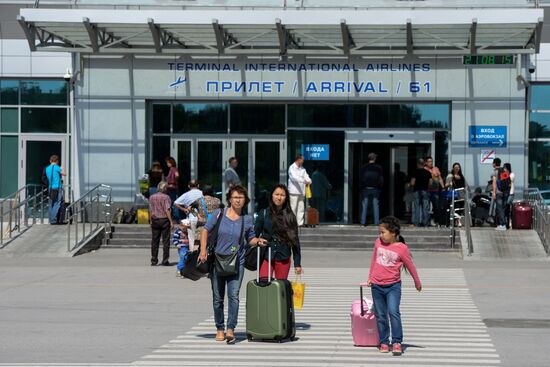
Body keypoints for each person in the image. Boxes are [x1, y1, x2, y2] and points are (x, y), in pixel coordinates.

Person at [198, 185, 265, 344]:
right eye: (235, 197)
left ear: (245, 200)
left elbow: (250, 238)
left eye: (241, 198)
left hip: (237, 262)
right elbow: (205, 231)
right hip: (218, 261)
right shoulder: (218, 214)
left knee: (233, 296)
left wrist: (258, 241)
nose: (238, 200)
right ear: (229, 199)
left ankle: (230, 329)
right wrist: (202, 251)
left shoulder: (247, 219)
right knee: (217, 298)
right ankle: (219, 328)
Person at [367, 216, 422, 356]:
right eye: (379, 232)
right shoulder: (378, 243)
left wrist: (417, 281)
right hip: (377, 286)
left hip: (393, 287)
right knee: (380, 315)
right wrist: (370, 278)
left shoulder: (402, 248)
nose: (380, 235)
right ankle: (384, 341)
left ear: (393, 233)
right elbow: (374, 260)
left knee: (393, 312)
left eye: (383, 232)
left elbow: (410, 266)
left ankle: (397, 341)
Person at [253, 184, 303, 280]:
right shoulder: (263, 213)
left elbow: (295, 241)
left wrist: (297, 264)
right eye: (277, 194)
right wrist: (258, 240)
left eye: (282, 195)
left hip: (283, 256)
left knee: (280, 288)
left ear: (286, 198)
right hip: (266, 256)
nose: (279, 197)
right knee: (263, 284)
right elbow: (254, 236)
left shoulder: (290, 216)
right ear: (272, 195)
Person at [148, 181, 173, 266]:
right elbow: (167, 210)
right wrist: (171, 221)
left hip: (155, 220)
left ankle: (154, 260)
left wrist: (150, 220)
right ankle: (165, 260)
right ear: (165, 188)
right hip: (164, 220)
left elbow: (150, 210)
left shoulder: (152, 197)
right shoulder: (166, 197)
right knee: (166, 241)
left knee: (154, 241)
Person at [359, 153, 384, 226]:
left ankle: (363, 222)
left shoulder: (364, 167)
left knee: (364, 205)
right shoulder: (378, 167)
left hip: (365, 188)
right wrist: (380, 187)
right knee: (375, 205)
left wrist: (361, 187)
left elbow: (361, 178)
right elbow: (381, 179)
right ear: (374, 159)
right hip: (375, 188)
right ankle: (376, 222)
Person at [288, 154, 311, 226]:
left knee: (301, 207)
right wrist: (304, 181)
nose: (303, 161)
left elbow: (307, 177)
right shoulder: (292, 168)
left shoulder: (303, 169)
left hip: (301, 191)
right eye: (302, 159)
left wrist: (309, 181)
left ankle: (299, 223)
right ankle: (292, 223)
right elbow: (294, 178)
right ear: (298, 159)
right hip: (293, 191)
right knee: (293, 207)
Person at [44, 155, 66, 225]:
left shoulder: (47, 168)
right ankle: (53, 220)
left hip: (50, 188)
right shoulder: (57, 167)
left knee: (52, 204)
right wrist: (62, 168)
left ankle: (51, 219)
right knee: (57, 203)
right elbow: (65, 174)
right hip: (57, 187)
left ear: (50, 161)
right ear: (57, 161)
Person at [410, 159, 431, 227]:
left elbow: (412, 183)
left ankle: (416, 222)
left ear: (418, 164)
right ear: (424, 164)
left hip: (416, 191)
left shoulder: (415, 172)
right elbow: (430, 183)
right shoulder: (428, 172)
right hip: (425, 191)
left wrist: (410, 185)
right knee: (425, 207)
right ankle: (425, 223)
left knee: (417, 207)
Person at [424, 156, 445, 226]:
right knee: (426, 207)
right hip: (426, 191)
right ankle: (426, 222)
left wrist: (443, 187)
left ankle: (436, 221)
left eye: (431, 161)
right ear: (426, 163)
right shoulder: (424, 169)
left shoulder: (436, 169)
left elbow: (440, 178)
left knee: (436, 207)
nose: (431, 163)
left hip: (435, 191)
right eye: (429, 161)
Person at [492, 158, 511, 231]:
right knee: (503, 208)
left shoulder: (495, 172)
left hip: (499, 192)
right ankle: (502, 224)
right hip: (506, 192)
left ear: (494, 163)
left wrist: (494, 192)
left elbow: (494, 183)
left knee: (499, 209)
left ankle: (502, 224)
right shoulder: (505, 170)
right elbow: (509, 182)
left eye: (493, 163)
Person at [504, 163, 515, 228]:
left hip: (511, 193)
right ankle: (507, 223)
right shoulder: (505, 174)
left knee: (508, 206)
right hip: (506, 193)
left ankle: (509, 222)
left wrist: (505, 174)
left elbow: (509, 180)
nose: (504, 169)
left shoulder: (512, 174)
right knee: (506, 208)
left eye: (505, 168)